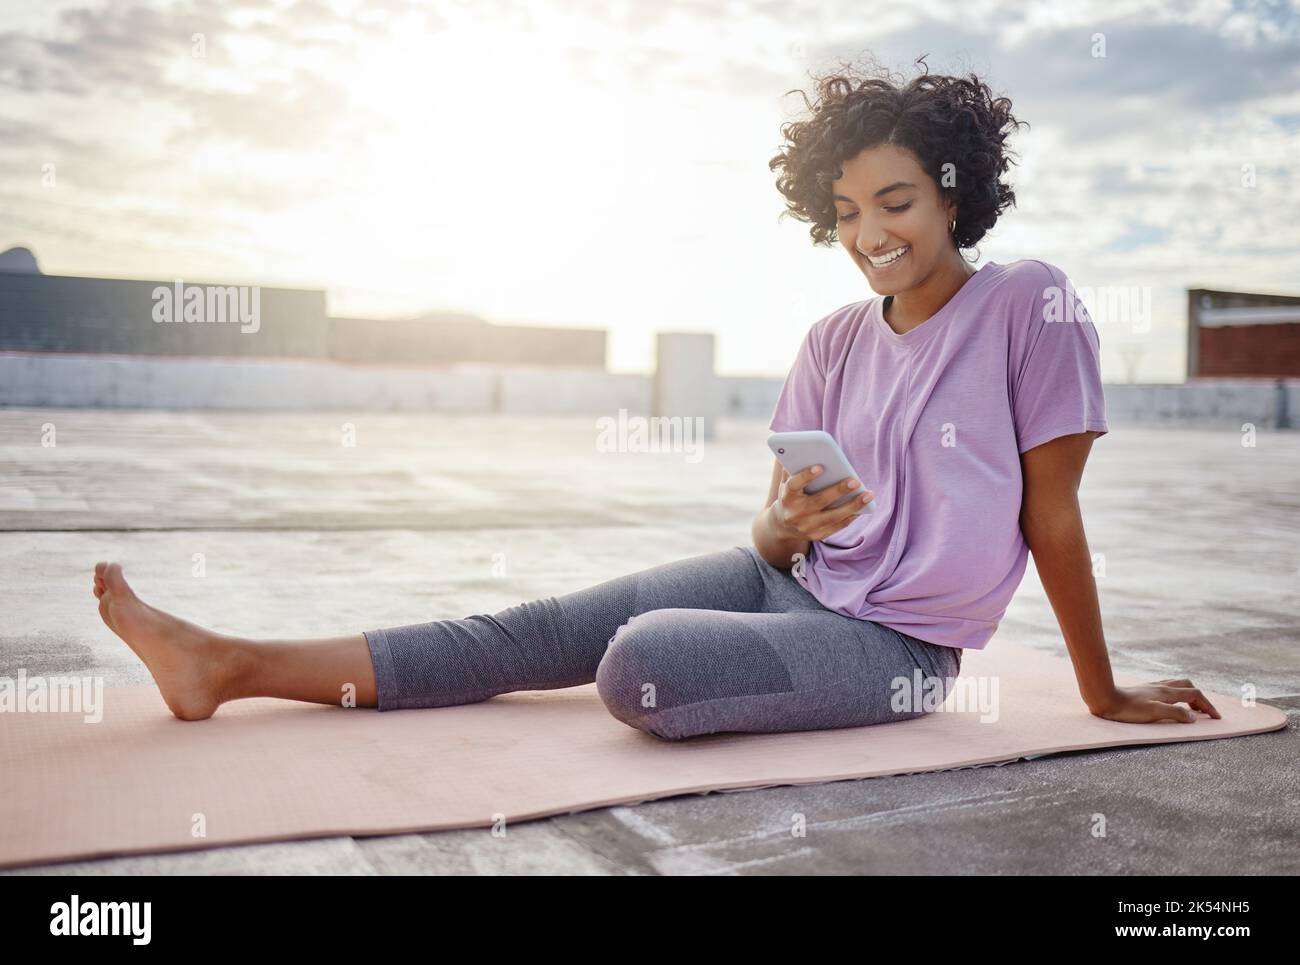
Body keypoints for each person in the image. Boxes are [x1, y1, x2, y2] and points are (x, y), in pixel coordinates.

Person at [92, 57, 1220, 739]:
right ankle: (228, 662)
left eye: (897, 203)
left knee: (636, 663)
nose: (869, 235)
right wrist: (780, 527)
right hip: (789, 585)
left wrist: (1099, 686)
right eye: (844, 212)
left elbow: (1051, 514)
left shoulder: (1032, 303)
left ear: (955, 192)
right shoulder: (831, 338)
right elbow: (772, 528)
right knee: (527, 631)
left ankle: (239, 665)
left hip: (898, 651)